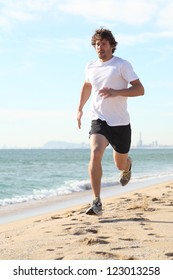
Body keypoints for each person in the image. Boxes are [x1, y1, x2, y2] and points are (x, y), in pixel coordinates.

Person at [77, 28, 144, 215]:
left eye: (104, 43)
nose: (100, 47)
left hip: (120, 123)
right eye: (97, 44)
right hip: (99, 118)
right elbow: (87, 85)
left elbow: (140, 89)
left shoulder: (122, 65)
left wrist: (116, 92)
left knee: (119, 164)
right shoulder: (90, 66)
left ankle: (127, 166)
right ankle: (97, 202)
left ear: (112, 46)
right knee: (95, 152)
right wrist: (80, 108)